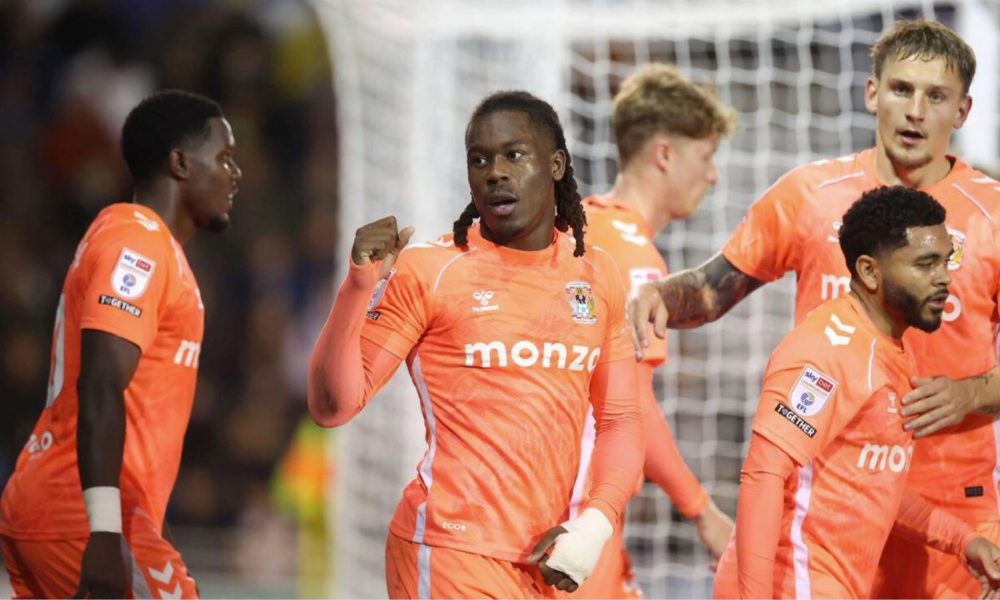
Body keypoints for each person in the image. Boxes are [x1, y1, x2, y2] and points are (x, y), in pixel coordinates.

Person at [630, 19, 1000, 598]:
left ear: (963, 110)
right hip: (827, 499)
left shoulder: (991, 215)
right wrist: (654, 297)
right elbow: (710, 290)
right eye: (902, 89)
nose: (915, 111)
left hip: (948, 499)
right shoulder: (810, 195)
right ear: (872, 92)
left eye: (936, 96)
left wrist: (970, 394)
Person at [307, 90, 644, 598]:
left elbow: (620, 420)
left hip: (540, 561)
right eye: (479, 159)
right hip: (447, 550)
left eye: (514, 155)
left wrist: (597, 521)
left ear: (555, 165)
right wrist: (359, 284)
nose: (495, 172)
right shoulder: (432, 269)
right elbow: (331, 406)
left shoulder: (597, 276)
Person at [0, 89, 241, 598]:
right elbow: (102, 385)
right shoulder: (137, 243)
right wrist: (106, 533)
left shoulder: (147, 245)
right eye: (222, 158)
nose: (234, 173)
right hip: (79, 513)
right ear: (179, 163)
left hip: (80, 509)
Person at [713, 185, 1000, 598]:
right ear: (869, 272)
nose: (944, 279)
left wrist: (963, 541)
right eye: (925, 264)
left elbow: (874, 485)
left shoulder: (891, 350)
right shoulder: (828, 349)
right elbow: (763, 475)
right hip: (792, 582)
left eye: (946, 261)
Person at [568, 63, 737, 598]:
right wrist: (701, 510)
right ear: (665, 154)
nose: (712, 176)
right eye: (706, 157)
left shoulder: (580, 226)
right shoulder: (636, 257)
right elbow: (633, 403)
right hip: (582, 511)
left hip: (557, 504)